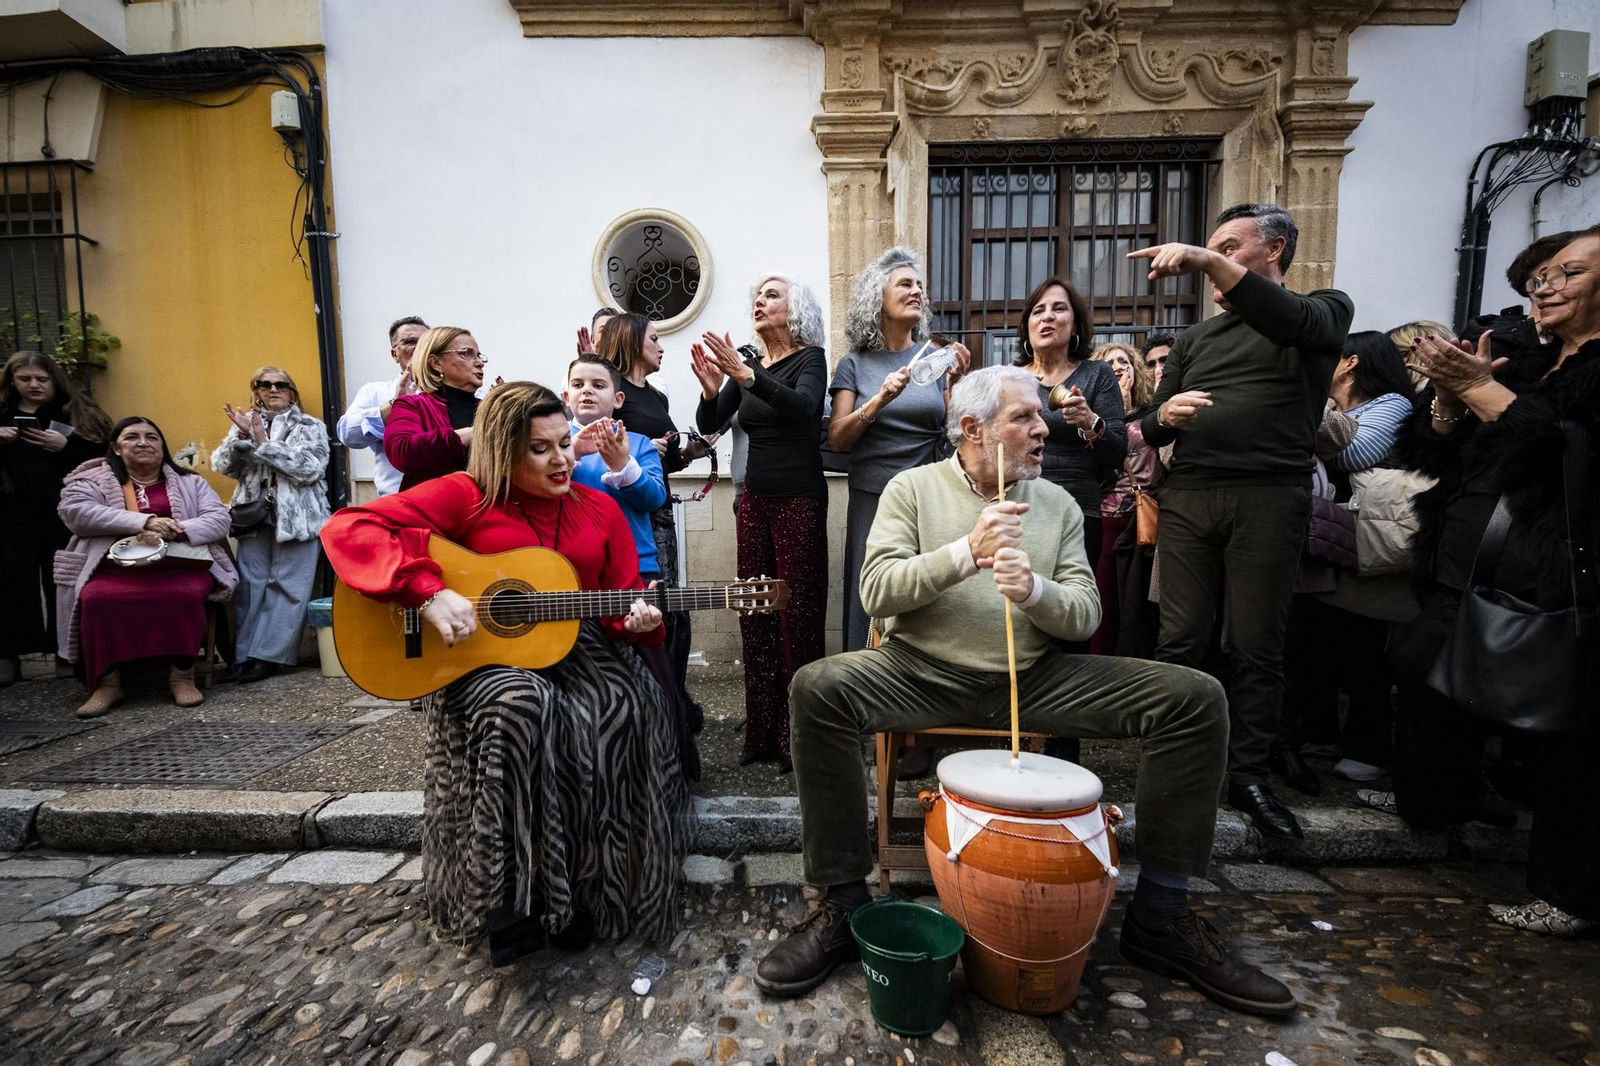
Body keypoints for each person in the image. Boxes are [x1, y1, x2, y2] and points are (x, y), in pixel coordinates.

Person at [756, 365, 1294, 1016]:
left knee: (1193, 698)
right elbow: (877, 591)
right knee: (818, 687)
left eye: (1041, 415)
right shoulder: (912, 489)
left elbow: (1085, 614)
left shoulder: (1057, 504)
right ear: (973, 428)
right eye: (1025, 416)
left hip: (1034, 679)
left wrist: (1035, 592)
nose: (1045, 427)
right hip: (918, 671)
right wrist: (966, 553)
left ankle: (1162, 914)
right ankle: (843, 903)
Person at [319, 381, 691, 960]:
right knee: (522, 707)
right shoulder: (466, 495)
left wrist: (640, 621)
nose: (563, 459)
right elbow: (349, 527)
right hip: (478, 653)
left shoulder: (600, 507)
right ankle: (513, 895)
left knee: (616, 710)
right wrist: (426, 591)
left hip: (580, 647)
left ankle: (586, 887)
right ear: (502, 450)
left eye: (565, 443)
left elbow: (621, 599)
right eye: (541, 449)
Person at [1398, 225, 1600, 937]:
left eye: (1569, 273)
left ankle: (1569, 895)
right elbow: (1439, 457)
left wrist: (1479, 387)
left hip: (1564, 583)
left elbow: (1554, 454)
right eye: (1542, 275)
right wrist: (1451, 401)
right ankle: (1441, 808)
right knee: (1427, 675)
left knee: (1574, 743)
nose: (1545, 286)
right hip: (1467, 568)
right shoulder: (1527, 362)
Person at [1133, 203, 1355, 841]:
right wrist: (1165, 416)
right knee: (1180, 641)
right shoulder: (1194, 341)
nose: (1214, 261)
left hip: (1270, 498)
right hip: (1190, 498)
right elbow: (1150, 427)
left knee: (1256, 644)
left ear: (1275, 249)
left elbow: (1290, 318)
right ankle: (1173, 760)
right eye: (1213, 249)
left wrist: (1207, 260)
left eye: (1229, 246)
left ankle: (1249, 774)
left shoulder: (1323, 311)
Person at [693, 275, 828, 772]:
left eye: (772, 294)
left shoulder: (810, 358)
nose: (760, 301)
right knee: (755, 611)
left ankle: (798, 737)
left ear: (797, 310)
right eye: (757, 294)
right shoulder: (747, 364)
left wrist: (747, 376)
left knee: (799, 616)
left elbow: (804, 409)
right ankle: (762, 732)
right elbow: (710, 424)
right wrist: (712, 391)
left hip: (799, 499)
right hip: (753, 501)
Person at [1274, 332, 1416, 793]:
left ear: (1351, 363)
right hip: (1329, 542)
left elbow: (1356, 452)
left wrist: (1308, 416)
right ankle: (1320, 735)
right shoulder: (1338, 410)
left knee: (1363, 648)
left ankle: (1368, 750)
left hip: (1365, 542)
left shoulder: (1391, 404)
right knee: (1318, 646)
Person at [829, 247, 969, 653]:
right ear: (878, 297)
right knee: (872, 590)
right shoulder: (854, 364)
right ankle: (868, 674)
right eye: (905, 284)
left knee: (926, 589)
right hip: (872, 496)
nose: (917, 291)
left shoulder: (935, 358)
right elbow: (837, 437)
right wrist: (878, 401)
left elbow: (956, 433)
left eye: (920, 285)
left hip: (929, 494)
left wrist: (958, 384)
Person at [57, 417, 238, 716]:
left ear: (162, 446)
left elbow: (219, 519)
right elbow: (76, 512)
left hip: (180, 564)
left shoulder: (190, 481)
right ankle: (107, 683)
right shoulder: (90, 480)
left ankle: (182, 675)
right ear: (116, 448)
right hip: (113, 568)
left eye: (152, 437)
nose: (143, 442)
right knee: (97, 599)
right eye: (132, 437)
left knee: (183, 596)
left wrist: (175, 530)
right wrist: (144, 522)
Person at [592, 313, 713, 747]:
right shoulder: (614, 395)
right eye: (655, 338)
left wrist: (686, 453)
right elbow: (601, 447)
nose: (661, 346)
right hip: (630, 514)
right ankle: (652, 705)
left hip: (656, 504)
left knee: (667, 606)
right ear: (631, 341)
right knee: (648, 602)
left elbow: (661, 463)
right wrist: (641, 451)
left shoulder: (655, 396)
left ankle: (671, 701)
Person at [211, 366, 330, 683]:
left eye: (280, 384)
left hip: (299, 517)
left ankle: (268, 657)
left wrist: (265, 444)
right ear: (256, 392)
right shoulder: (246, 424)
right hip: (253, 514)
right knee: (251, 587)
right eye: (264, 384)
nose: (273, 389)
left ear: (292, 392)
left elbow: (309, 468)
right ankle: (243, 656)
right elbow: (223, 466)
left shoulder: (309, 426)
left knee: (289, 588)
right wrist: (241, 438)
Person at [0, 351, 111, 685]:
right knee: (11, 580)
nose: (33, 385)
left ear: (54, 380)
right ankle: (9, 654)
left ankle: (66, 652)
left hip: (62, 508)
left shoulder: (76, 410)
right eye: (25, 379)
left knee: (63, 578)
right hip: (10, 509)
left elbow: (106, 455)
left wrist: (67, 446)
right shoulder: (2, 413)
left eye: (41, 379)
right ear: (12, 381)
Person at [1016, 277, 1128, 585]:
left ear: (1076, 324)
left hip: (1077, 510)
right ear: (1027, 326)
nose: (1047, 317)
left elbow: (1117, 454)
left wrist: (1090, 422)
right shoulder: (1008, 378)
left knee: (1071, 603)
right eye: (1038, 311)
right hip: (1019, 506)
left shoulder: (1097, 374)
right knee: (1016, 603)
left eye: (1059, 308)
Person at [1089, 341, 1164, 657]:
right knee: (1105, 601)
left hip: (1147, 520)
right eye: (1108, 364)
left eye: (1124, 361)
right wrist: (1111, 413)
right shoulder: (1093, 419)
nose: (1117, 367)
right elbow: (1098, 467)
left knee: (1141, 606)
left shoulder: (1152, 415)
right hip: (1109, 519)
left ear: (1135, 370)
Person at [336, 316, 429, 496]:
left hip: (448, 498)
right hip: (396, 500)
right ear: (395, 354)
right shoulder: (375, 392)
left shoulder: (458, 389)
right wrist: (396, 405)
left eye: (426, 341)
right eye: (410, 341)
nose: (420, 347)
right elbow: (347, 434)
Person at [385, 327, 486, 491]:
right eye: (466, 353)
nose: (479, 363)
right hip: (435, 504)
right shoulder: (412, 405)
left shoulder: (490, 408)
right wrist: (473, 433)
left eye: (479, 356)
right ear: (436, 363)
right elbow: (402, 453)